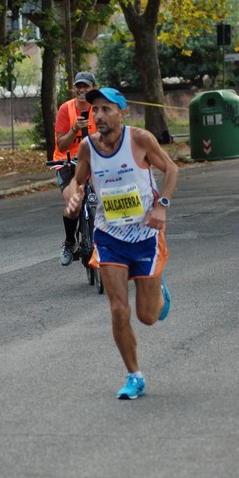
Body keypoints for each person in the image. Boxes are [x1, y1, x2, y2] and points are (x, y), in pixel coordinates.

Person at [65, 87, 179, 399]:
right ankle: (134, 375)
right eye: (94, 111)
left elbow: (171, 168)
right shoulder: (87, 147)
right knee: (118, 309)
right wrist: (73, 198)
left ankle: (158, 289)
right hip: (109, 236)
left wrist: (161, 205)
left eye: (105, 109)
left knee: (148, 316)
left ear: (121, 111)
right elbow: (77, 180)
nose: (98, 116)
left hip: (145, 236)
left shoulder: (140, 139)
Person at [53, 72, 97, 266]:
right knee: (74, 204)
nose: (82, 90)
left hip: (95, 161)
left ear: (94, 88)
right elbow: (61, 146)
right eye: (78, 86)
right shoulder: (66, 109)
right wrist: (74, 129)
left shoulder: (101, 109)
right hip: (67, 161)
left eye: (86, 86)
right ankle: (69, 242)